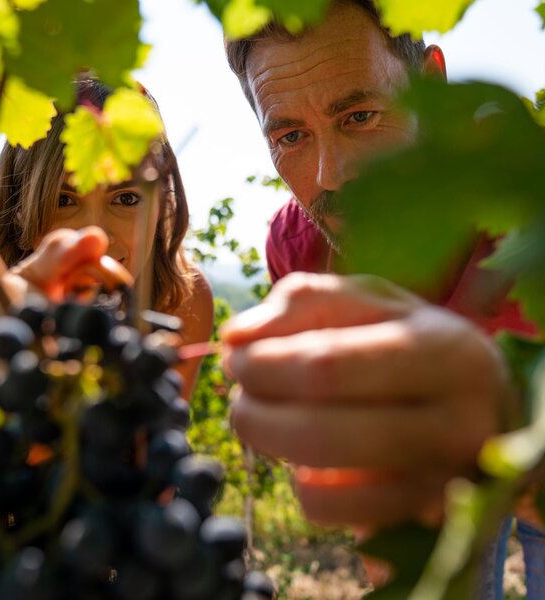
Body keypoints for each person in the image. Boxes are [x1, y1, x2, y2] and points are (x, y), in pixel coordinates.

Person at [222, 1, 543, 597]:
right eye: (291, 135)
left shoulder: (529, 210)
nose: (332, 175)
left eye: (360, 115)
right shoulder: (295, 247)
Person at [0, 78, 214, 400]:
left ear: (163, 205)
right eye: (64, 201)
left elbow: (151, 441)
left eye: (126, 199)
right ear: (18, 207)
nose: (95, 236)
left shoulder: (181, 299)